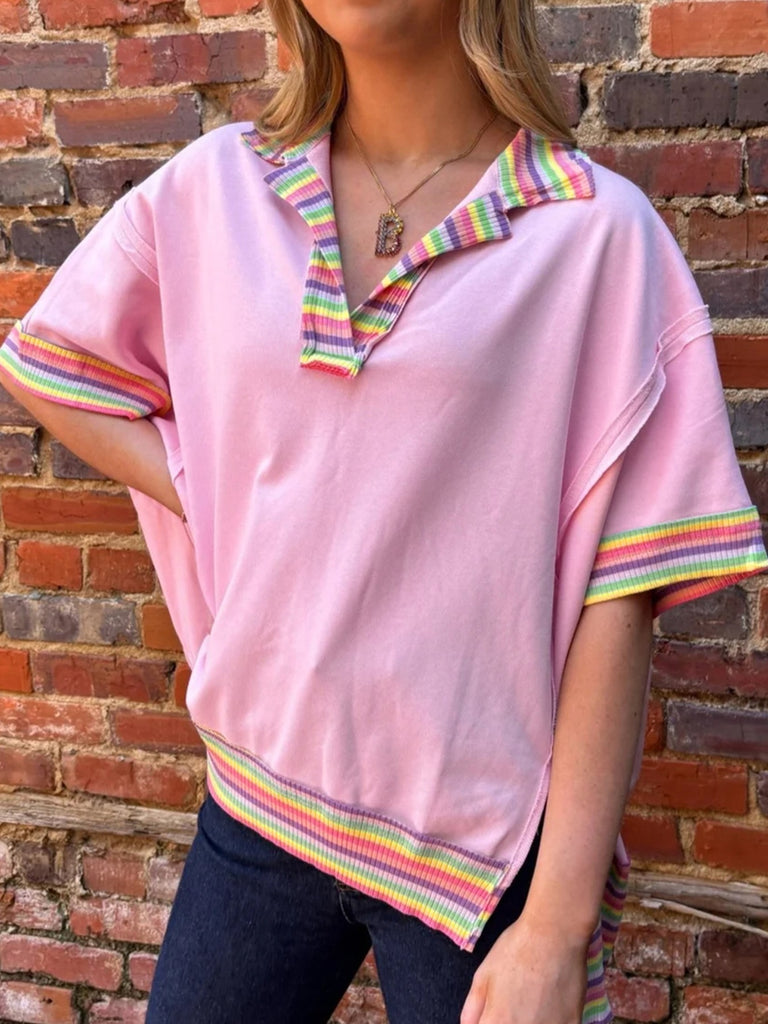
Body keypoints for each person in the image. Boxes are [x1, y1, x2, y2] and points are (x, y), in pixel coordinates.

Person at [0, 1, 765, 1022]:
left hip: (478, 855)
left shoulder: (596, 236)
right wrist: (224, 495)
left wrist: (556, 924)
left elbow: (619, 594)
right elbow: (50, 368)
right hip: (260, 798)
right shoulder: (220, 188)